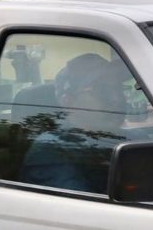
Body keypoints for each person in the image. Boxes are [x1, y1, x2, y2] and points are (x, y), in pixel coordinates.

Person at [18, 53, 128, 193]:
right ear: (68, 101)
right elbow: (82, 210)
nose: (116, 98)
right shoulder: (51, 149)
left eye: (118, 88)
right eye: (102, 90)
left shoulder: (134, 137)